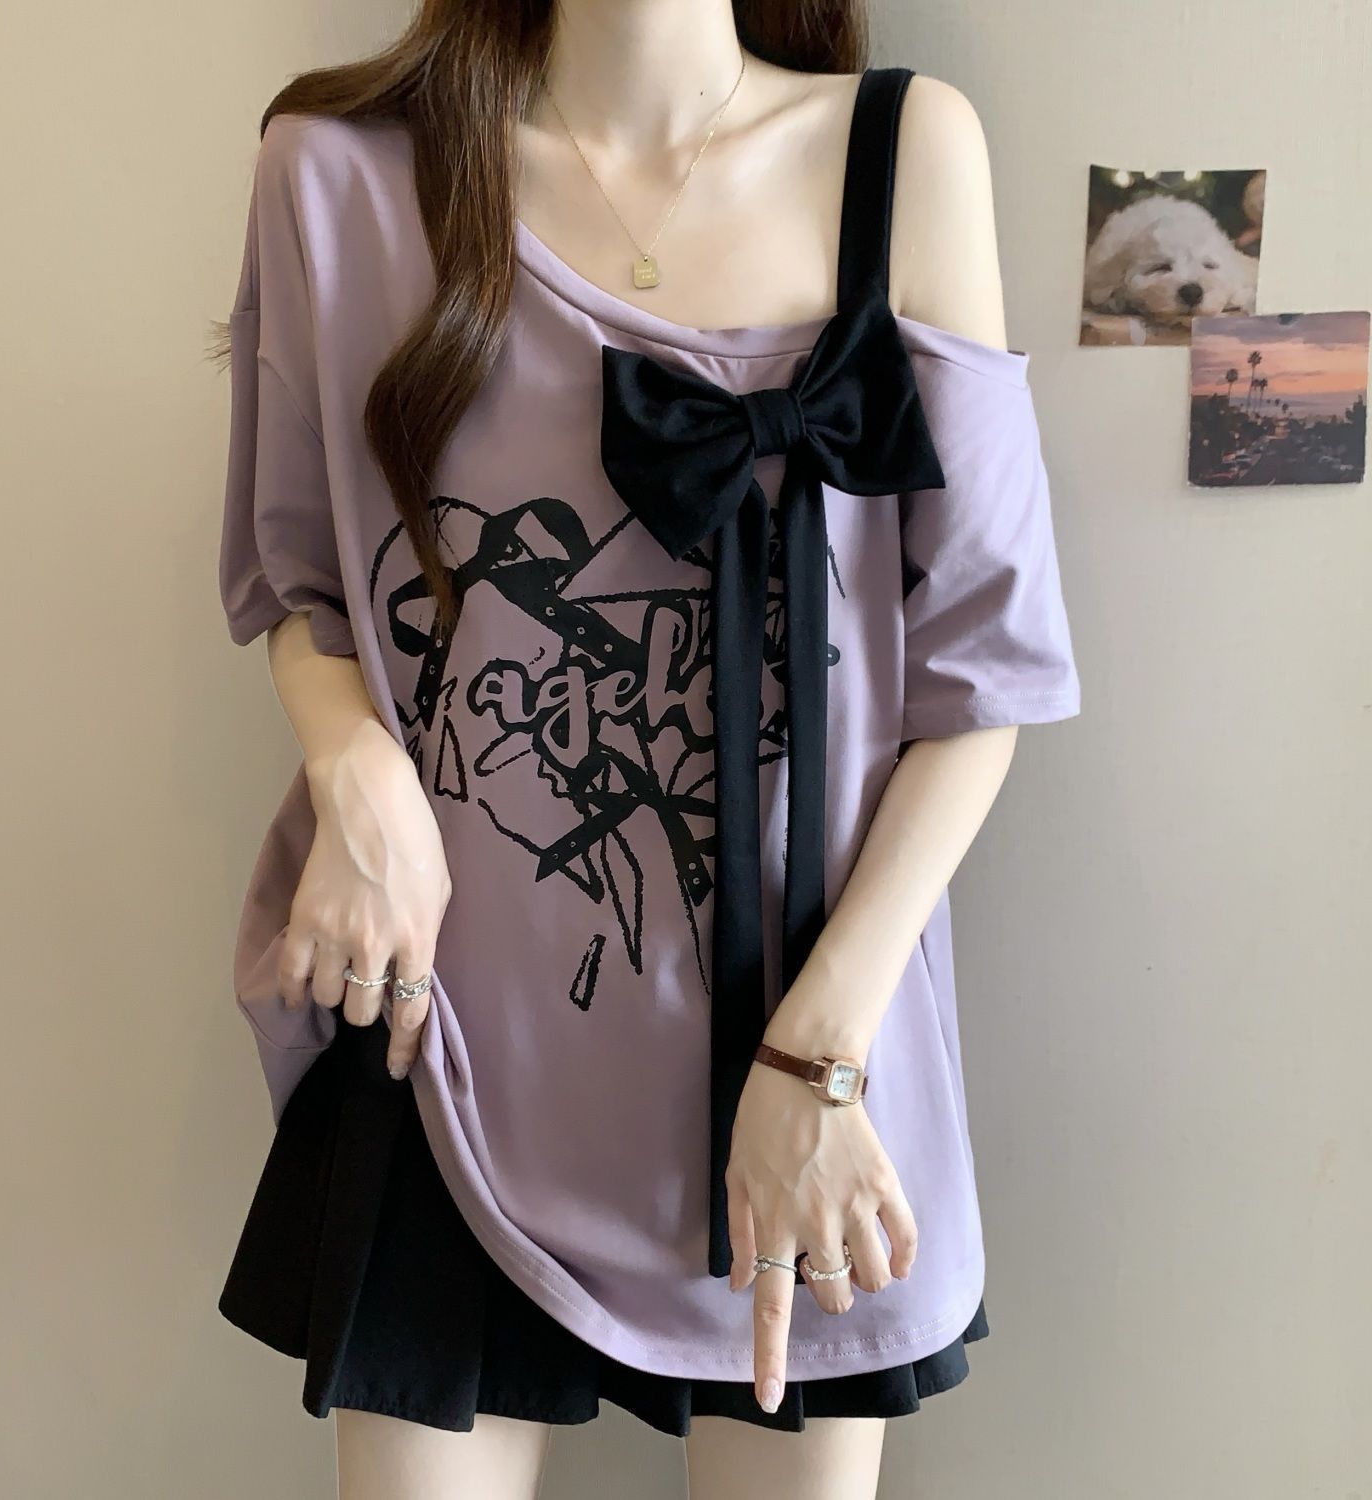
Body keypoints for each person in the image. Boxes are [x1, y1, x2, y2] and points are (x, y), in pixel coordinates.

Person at [212, 6, 1082, 1498]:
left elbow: (979, 680)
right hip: (453, 1034)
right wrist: (355, 771)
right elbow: (302, 585)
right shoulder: (338, 173)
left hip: (807, 1047)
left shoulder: (903, 153)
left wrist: (820, 1054)